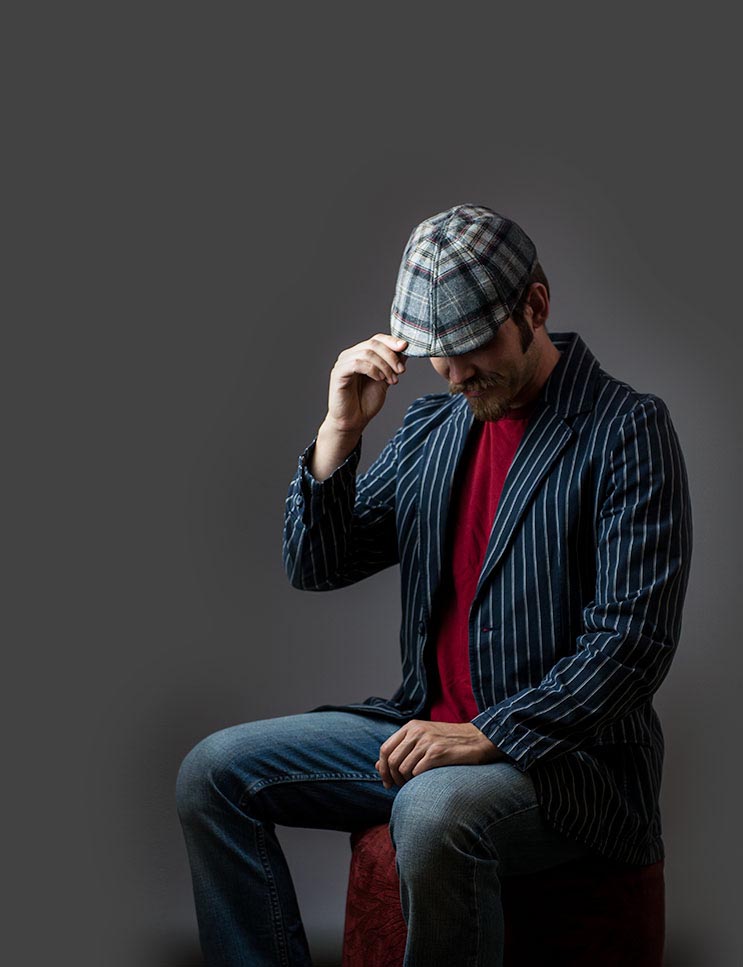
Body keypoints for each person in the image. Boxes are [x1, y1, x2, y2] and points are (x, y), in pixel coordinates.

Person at [176, 204, 693, 967]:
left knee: (428, 809)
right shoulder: (430, 429)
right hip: (421, 732)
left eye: (471, 343)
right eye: (435, 352)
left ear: (534, 307)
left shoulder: (626, 429)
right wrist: (340, 431)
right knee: (211, 773)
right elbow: (318, 564)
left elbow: (632, 642)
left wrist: (490, 733)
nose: (452, 372)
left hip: (564, 766)